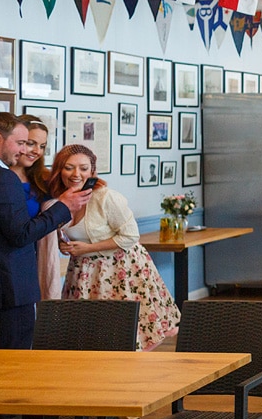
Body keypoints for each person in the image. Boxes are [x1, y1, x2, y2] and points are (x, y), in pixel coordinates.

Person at [0, 113, 88, 361]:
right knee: (12, 371)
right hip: (5, 296)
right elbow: (21, 234)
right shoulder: (2, 178)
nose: (25, 150)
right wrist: (63, 206)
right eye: (21, 143)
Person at [49, 144, 180, 351]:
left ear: (92, 171)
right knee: (89, 336)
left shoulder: (105, 197)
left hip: (120, 269)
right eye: (69, 167)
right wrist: (62, 244)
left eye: (83, 168)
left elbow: (130, 236)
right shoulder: (57, 200)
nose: (76, 174)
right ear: (58, 170)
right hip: (83, 273)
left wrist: (87, 249)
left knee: (125, 334)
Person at [9, 114, 61, 300]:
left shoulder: (43, 179)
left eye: (42, 146)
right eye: (31, 143)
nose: (37, 151)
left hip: (34, 261)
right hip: (6, 263)